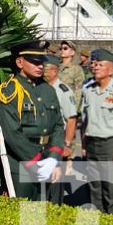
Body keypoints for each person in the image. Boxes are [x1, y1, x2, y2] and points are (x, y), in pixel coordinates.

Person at [0, 39, 65, 200]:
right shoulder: (10, 90)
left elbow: (58, 125)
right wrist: (36, 161)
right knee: (21, 216)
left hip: (47, 161)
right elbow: (12, 133)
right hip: (21, 164)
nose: (40, 65)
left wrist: (53, 158)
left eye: (42, 61)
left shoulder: (47, 89)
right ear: (20, 62)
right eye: (34, 62)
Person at [81, 49, 113, 213]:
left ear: (110, 70)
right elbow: (85, 121)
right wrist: (83, 144)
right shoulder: (88, 90)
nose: (95, 67)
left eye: (101, 65)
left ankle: (111, 221)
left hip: (110, 144)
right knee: (94, 185)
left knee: (110, 187)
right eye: (95, 65)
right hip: (92, 143)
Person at [43, 55, 78, 204]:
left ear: (55, 71)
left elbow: (71, 119)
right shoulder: (38, 88)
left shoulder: (63, 90)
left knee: (55, 182)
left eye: (46, 69)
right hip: (41, 142)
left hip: (56, 141)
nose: (43, 71)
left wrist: (67, 144)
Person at [59, 40, 85, 111]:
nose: (62, 50)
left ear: (72, 52)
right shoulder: (56, 66)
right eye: (61, 48)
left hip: (67, 106)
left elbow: (78, 91)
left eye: (65, 48)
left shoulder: (76, 69)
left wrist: (74, 110)